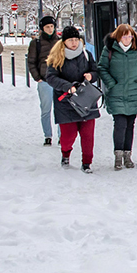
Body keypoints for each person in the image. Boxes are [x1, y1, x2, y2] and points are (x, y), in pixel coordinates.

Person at [98, 23, 137, 170]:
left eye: (130, 36)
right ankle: (118, 155)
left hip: (134, 92)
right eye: (125, 36)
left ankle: (127, 155)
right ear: (118, 37)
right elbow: (102, 68)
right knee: (120, 124)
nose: (128, 39)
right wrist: (111, 84)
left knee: (130, 125)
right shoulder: (109, 50)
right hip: (116, 93)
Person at [43, 25, 99, 172]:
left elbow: (96, 70)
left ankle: (87, 163)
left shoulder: (86, 54)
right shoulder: (57, 57)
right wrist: (67, 86)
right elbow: (51, 78)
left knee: (88, 135)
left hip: (86, 100)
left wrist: (91, 76)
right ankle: (65, 154)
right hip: (66, 102)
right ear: (64, 42)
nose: (74, 43)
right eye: (70, 40)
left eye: (76, 39)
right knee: (68, 136)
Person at [27, 16, 61, 146]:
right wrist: (38, 78)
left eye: (52, 26)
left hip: (59, 80)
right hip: (45, 80)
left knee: (60, 110)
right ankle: (47, 135)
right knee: (46, 109)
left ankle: (61, 135)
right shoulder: (36, 43)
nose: (50, 29)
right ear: (42, 28)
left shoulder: (60, 41)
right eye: (47, 27)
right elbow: (31, 62)